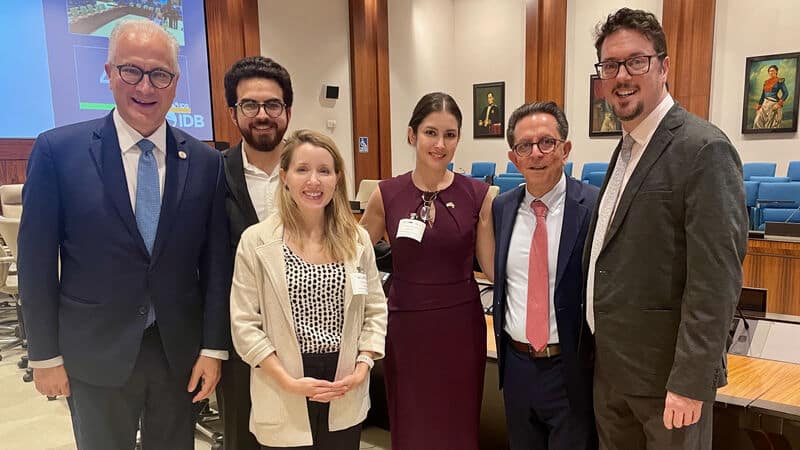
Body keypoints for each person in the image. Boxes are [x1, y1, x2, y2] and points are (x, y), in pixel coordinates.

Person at [18, 19, 231, 449]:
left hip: (178, 354)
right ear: (110, 73)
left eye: (160, 75)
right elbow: (36, 261)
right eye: (132, 70)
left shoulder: (205, 163)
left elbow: (215, 265)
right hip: (94, 352)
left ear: (175, 84)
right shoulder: (59, 152)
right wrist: (44, 354)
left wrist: (213, 348)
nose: (146, 87)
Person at [586, 8, 748, 449]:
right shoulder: (626, 149)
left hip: (667, 386)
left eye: (636, 61)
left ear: (664, 66)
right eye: (610, 65)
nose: (622, 75)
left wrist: (691, 380)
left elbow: (716, 279)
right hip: (614, 374)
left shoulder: (703, 149)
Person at [230, 129, 387, 449]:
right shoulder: (256, 241)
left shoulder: (357, 241)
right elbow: (244, 324)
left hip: (344, 381)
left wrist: (363, 366)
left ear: (338, 178)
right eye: (302, 170)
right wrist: (287, 380)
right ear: (284, 176)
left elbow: (375, 309)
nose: (313, 181)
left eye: (324, 171)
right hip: (282, 378)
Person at [360, 92, 495, 449]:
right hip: (406, 326)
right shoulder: (385, 194)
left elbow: (493, 269)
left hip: (460, 328)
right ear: (411, 135)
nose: (440, 144)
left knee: (457, 420)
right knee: (411, 417)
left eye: (450, 135)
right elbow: (353, 257)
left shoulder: (479, 195)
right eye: (431, 132)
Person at [492, 101, 598, 450]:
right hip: (517, 367)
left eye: (546, 142)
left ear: (565, 149)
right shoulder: (502, 207)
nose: (536, 153)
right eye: (525, 146)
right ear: (514, 157)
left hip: (571, 370)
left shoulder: (593, 207)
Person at [220, 55, 293, 450]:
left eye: (272, 105)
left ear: (288, 111)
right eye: (250, 105)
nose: (262, 115)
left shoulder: (311, 170)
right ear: (234, 113)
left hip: (308, 339)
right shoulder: (212, 174)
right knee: (242, 438)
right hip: (238, 343)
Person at [753, 64, 790, 129]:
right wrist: (759, 105)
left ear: (776, 71)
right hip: (764, 104)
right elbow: (763, 95)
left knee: (770, 125)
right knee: (757, 122)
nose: (771, 72)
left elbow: (786, 93)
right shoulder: (766, 82)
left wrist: (778, 104)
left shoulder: (780, 81)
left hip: (773, 104)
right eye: (769, 71)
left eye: (773, 71)